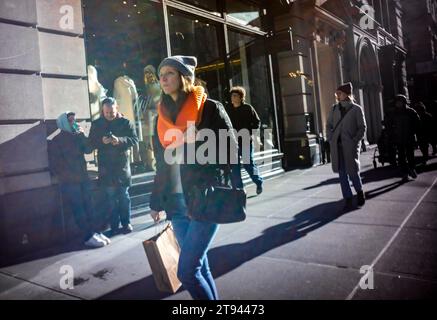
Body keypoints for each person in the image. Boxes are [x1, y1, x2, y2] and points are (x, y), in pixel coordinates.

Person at [149, 55, 237, 300]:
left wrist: (200, 140)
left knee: (186, 272)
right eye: (161, 74)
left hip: (205, 200)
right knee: (200, 267)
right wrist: (155, 201)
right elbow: (161, 165)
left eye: (169, 73)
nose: (163, 79)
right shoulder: (161, 118)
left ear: (183, 77)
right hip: (176, 205)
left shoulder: (209, 108)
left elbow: (231, 151)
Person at [50, 112, 111, 248]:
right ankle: (87, 236)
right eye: (71, 121)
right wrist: (65, 176)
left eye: (74, 120)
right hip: (70, 182)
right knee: (79, 208)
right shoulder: (56, 140)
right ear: (64, 123)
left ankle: (95, 232)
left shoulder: (77, 136)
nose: (74, 123)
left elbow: (88, 150)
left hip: (83, 178)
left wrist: (83, 135)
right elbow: (55, 164)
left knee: (89, 205)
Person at [88, 97, 139, 236]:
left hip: (121, 165)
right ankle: (114, 225)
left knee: (124, 196)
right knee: (110, 198)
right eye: (107, 112)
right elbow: (90, 143)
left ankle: (126, 222)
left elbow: (134, 139)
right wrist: (101, 141)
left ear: (117, 109)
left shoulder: (125, 122)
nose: (110, 115)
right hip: (106, 167)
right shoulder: (97, 124)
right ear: (102, 111)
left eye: (112, 112)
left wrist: (120, 140)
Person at [326, 82, 367, 210]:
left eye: (340, 93)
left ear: (347, 94)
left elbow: (362, 127)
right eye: (337, 93)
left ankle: (359, 192)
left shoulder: (356, 109)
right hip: (337, 147)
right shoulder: (334, 109)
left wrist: (354, 141)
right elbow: (329, 125)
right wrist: (330, 138)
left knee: (353, 171)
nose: (337, 95)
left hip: (350, 146)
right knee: (342, 173)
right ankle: (348, 198)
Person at [226, 86, 263, 195]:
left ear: (241, 97)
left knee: (248, 163)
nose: (232, 97)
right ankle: (239, 189)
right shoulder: (228, 109)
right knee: (234, 166)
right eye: (232, 95)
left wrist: (251, 133)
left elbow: (257, 122)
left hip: (245, 140)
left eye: (235, 95)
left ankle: (258, 181)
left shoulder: (248, 108)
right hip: (232, 142)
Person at [391, 95, 420, 182]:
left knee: (410, 155)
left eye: (400, 102)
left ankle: (412, 169)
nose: (398, 104)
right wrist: (392, 134)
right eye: (397, 102)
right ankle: (405, 173)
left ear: (404, 102)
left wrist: (413, 132)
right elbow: (389, 125)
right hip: (399, 138)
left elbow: (417, 123)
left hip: (409, 137)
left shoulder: (410, 112)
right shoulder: (393, 113)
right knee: (401, 157)